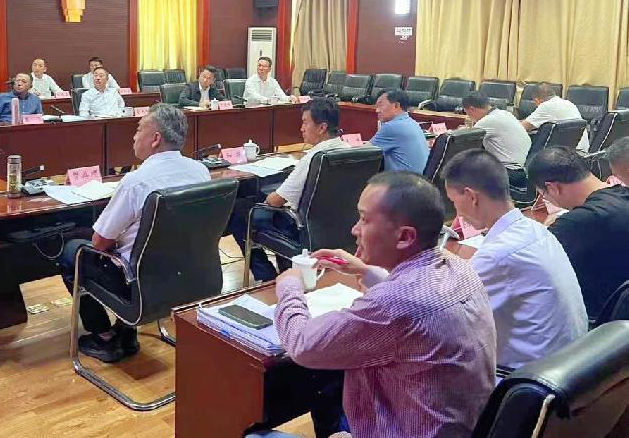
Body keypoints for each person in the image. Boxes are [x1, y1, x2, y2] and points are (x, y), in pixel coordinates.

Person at [273, 172, 495, 438]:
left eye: (364, 220)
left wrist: (289, 286)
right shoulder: (458, 267)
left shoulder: (396, 304)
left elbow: (302, 345)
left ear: (405, 237)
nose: (354, 229)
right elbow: (415, 305)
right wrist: (364, 271)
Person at [59, 104, 210, 362]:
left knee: (72, 251)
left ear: (155, 139)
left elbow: (100, 242)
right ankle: (125, 331)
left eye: (139, 130)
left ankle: (105, 337)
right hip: (188, 277)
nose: (134, 136)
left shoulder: (136, 181)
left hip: (138, 282)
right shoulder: (201, 171)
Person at [442, 148, 588, 369]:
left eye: (454, 201)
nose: (457, 212)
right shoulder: (536, 229)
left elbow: (444, 319)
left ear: (471, 197)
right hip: (569, 363)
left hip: (527, 378)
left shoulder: (497, 255)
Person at [229, 99, 352, 282]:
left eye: (305, 122)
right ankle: (286, 270)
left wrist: (267, 196)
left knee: (239, 212)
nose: (301, 128)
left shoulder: (314, 158)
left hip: (300, 229)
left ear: (322, 128)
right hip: (337, 228)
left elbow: (275, 201)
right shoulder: (348, 150)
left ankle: (267, 277)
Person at [526, 146, 629, 320]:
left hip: (600, 322)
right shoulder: (623, 195)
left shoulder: (575, 224)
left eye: (543, 194)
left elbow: (531, 268)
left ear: (553, 188)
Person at [369, 89, 429, 172]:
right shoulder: (412, 123)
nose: (377, 110)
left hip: (402, 179)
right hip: (418, 178)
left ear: (396, 106)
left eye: (381, 105)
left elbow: (363, 152)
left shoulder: (392, 127)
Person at [520, 82, 589, 151]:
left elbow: (522, 127)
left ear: (536, 100)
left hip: (565, 153)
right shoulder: (568, 103)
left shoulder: (546, 106)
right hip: (582, 151)